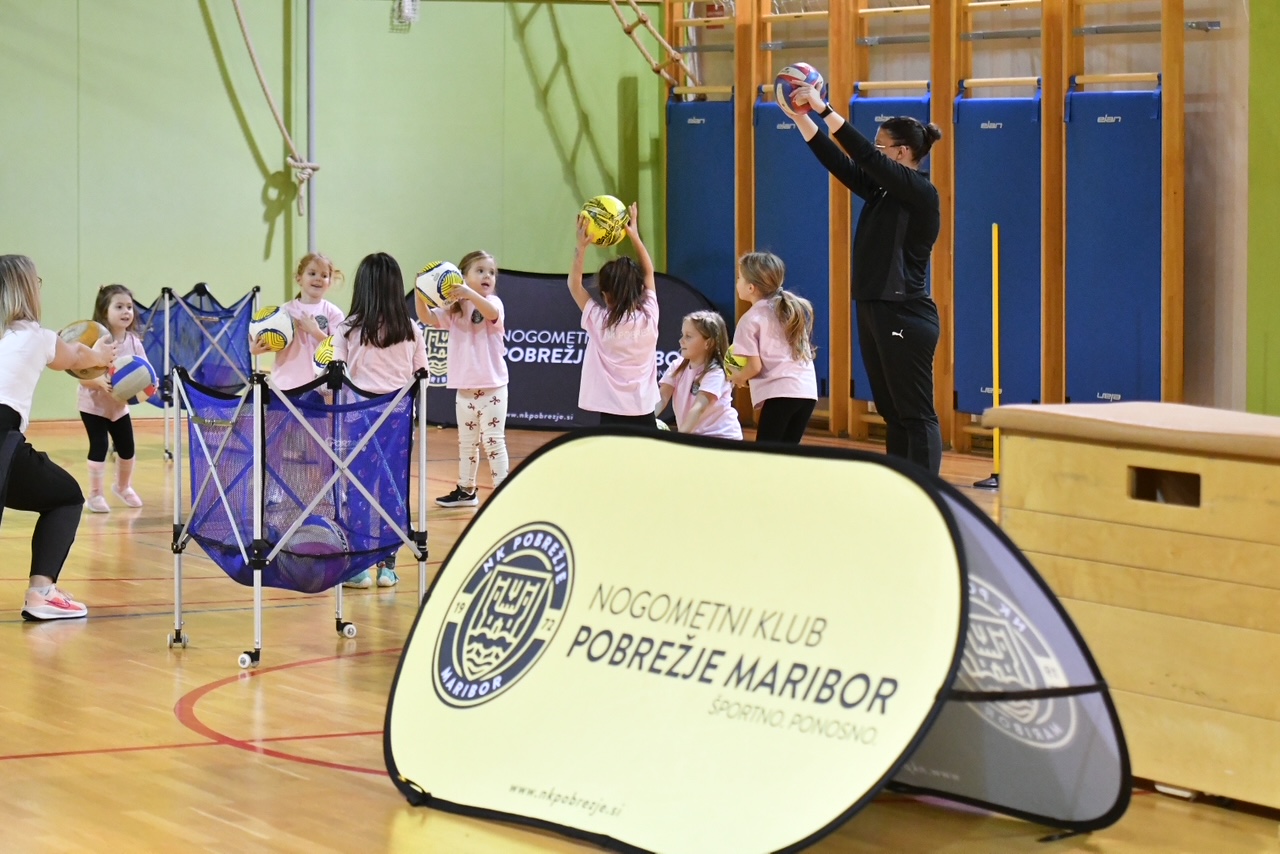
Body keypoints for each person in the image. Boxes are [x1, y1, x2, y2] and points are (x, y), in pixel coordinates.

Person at [785, 79, 944, 473]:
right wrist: (800, 118)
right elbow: (842, 164)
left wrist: (824, 109)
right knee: (892, 412)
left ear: (902, 152)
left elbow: (863, 157)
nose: (875, 151)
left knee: (915, 413)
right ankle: (901, 485)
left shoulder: (920, 192)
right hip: (875, 308)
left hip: (905, 312)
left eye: (881, 146)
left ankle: (930, 494)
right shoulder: (883, 192)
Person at [0, 255, 118, 620]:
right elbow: (76, 355)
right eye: (37, 282)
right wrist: (99, 354)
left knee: (59, 494)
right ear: (27, 290)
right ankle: (41, 593)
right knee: (66, 498)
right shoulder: (36, 337)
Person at [331, 252, 427, 589]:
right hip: (398, 424)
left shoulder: (347, 329)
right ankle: (388, 566)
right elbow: (422, 377)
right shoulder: (411, 329)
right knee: (393, 490)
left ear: (363, 287)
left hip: (358, 421)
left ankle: (359, 567)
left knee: (358, 489)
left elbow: (333, 376)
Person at [420, 251, 509, 508]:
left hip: (493, 388)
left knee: (493, 441)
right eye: (480, 271)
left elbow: (491, 312)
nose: (487, 276)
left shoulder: (493, 302)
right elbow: (427, 317)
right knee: (467, 444)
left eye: (491, 272)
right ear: (462, 276)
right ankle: (466, 490)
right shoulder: (454, 309)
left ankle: (504, 493)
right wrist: (420, 292)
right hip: (465, 390)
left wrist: (469, 293)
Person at [568, 202, 660, 428]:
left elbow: (574, 285)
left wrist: (581, 247)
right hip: (644, 411)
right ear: (639, 289)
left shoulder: (600, 321)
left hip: (611, 413)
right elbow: (649, 272)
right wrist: (635, 236)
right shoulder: (650, 315)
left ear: (605, 294)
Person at [727, 252, 818, 444]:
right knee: (786, 453)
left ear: (750, 287)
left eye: (739, 278)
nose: (737, 282)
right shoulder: (789, 311)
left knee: (765, 453)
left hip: (780, 394)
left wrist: (738, 377)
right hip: (807, 392)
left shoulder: (750, 320)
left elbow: (754, 367)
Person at [78, 284, 148, 512]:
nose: (126, 311)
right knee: (99, 446)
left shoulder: (134, 342)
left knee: (127, 448)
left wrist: (150, 384)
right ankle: (95, 495)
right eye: (119, 307)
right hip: (93, 406)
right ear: (104, 311)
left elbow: (145, 370)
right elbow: (82, 376)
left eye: (129, 307)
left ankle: (123, 486)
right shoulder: (96, 342)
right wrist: (99, 381)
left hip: (119, 407)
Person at [252, 252, 346, 390]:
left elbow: (340, 350)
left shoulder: (333, 313)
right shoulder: (284, 311)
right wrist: (256, 349)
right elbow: (269, 342)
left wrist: (315, 331)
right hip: (284, 385)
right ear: (299, 278)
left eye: (324, 275)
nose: (318, 278)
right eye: (312, 273)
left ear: (330, 282)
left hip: (318, 387)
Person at [655, 310, 742, 439]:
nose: (681, 341)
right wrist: (646, 422)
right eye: (682, 335)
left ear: (708, 343)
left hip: (721, 437)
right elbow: (662, 397)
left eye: (688, 336)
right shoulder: (677, 365)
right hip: (695, 437)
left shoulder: (716, 373)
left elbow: (698, 408)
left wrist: (678, 439)